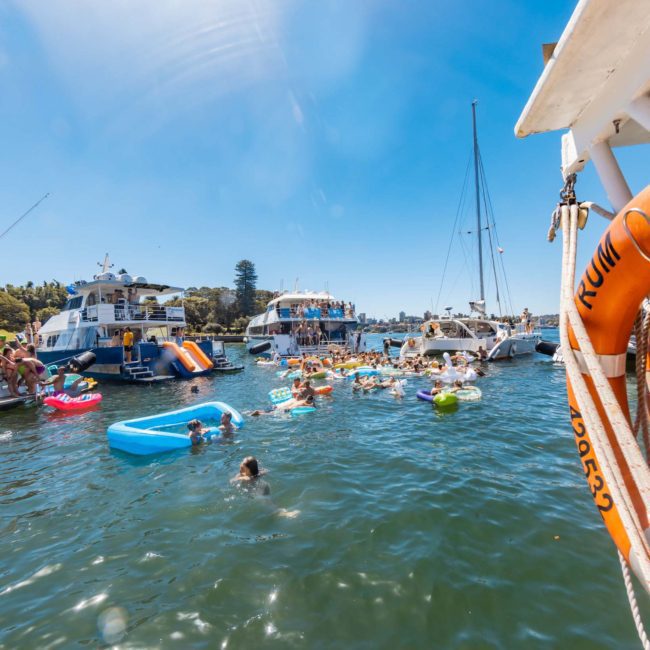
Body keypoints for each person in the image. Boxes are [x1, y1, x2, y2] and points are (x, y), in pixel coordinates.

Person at [231, 456, 299, 518]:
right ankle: (282, 511)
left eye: (243, 464)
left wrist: (242, 478)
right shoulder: (257, 472)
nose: (241, 463)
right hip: (264, 485)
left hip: (257, 489)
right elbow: (266, 471)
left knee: (266, 501)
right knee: (269, 499)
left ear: (248, 469)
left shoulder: (244, 476)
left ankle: (281, 513)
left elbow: (233, 481)